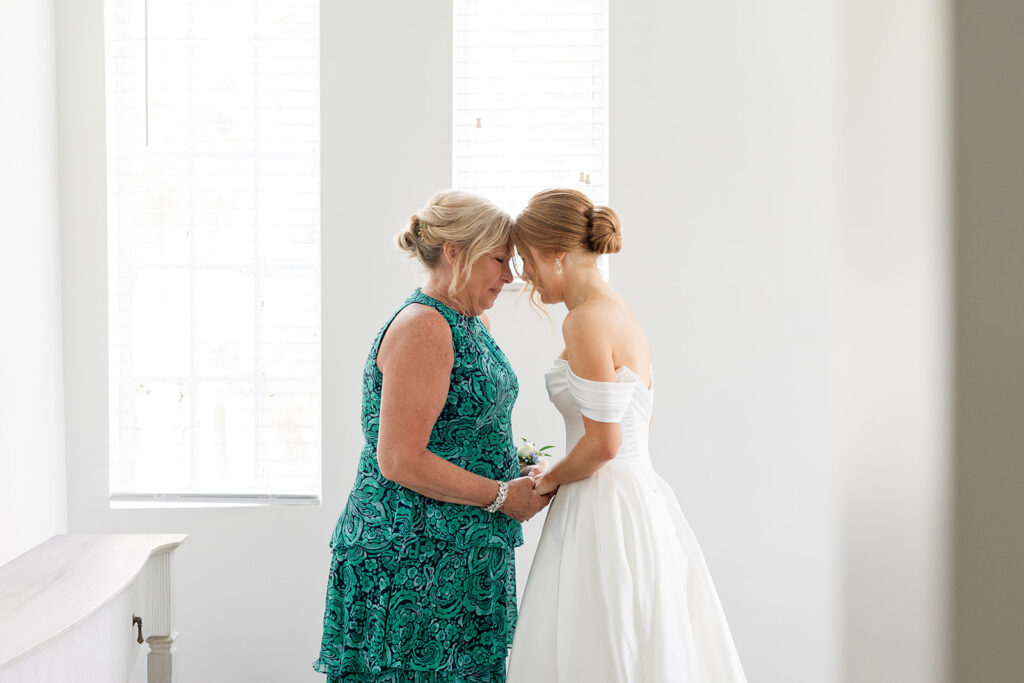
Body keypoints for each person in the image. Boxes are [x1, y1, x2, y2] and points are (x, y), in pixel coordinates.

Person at [505, 189, 747, 682]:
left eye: (526, 259)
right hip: (637, 498)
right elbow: (639, 425)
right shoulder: (620, 313)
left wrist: (548, 479)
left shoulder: (584, 320)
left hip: (602, 504)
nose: (523, 274)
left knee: (596, 639)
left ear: (558, 253)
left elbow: (604, 444)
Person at [313, 190, 551, 683]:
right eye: (499, 260)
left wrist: (515, 464)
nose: (509, 276)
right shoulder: (424, 326)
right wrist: (503, 495)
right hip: (411, 557)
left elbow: (462, 426)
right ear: (455, 253)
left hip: (461, 551)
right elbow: (399, 459)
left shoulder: (472, 320)